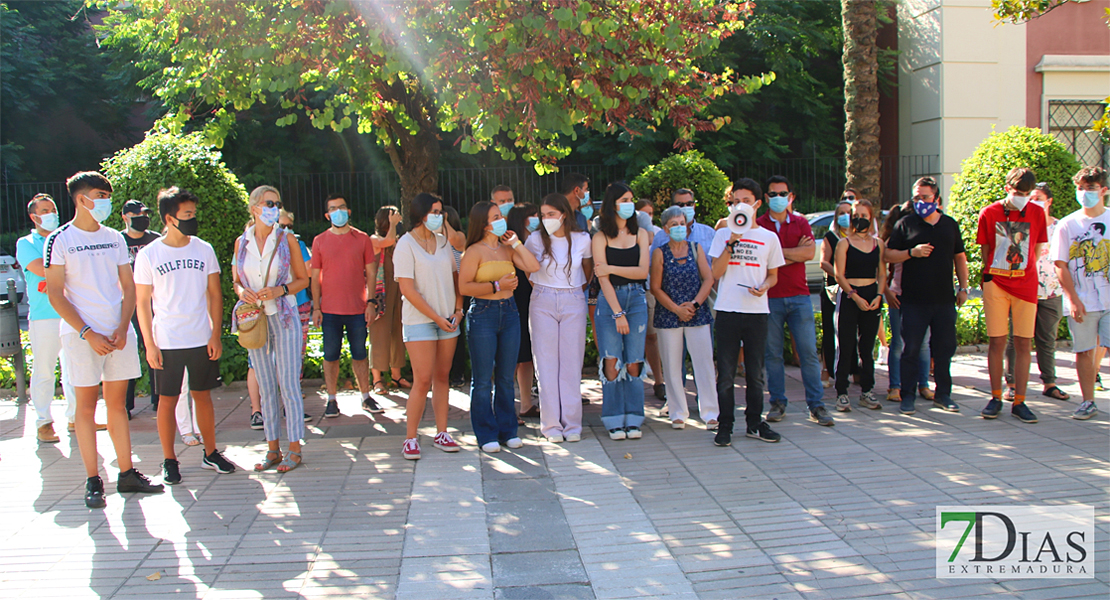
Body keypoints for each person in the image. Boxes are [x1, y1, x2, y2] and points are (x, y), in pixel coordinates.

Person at [44, 171, 163, 508]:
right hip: (82, 335)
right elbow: (56, 293)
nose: (106, 202)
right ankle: (93, 480)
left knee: (117, 405)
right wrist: (87, 332)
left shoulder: (114, 238)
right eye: (100, 195)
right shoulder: (59, 239)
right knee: (85, 406)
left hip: (117, 334)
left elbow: (129, 287)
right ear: (82, 199)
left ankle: (127, 474)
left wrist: (124, 326)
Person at [135, 187, 234, 484]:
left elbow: (215, 295)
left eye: (194, 213)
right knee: (167, 399)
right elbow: (142, 302)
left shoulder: (204, 249)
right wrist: (150, 344)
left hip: (200, 337)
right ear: (170, 218)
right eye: (187, 215)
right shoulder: (149, 254)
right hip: (167, 340)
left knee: (202, 396)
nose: (193, 219)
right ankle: (169, 459)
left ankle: (211, 452)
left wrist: (215, 335)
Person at [233, 185, 311, 473]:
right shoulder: (242, 243)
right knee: (265, 386)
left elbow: (303, 280)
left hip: (285, 315)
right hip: (255, 320)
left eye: (277, 203)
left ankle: (295, 447)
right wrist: (243, 293)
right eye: (269, 203)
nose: (274, 208)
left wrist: (279, 290)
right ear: (254, 207)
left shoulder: (287, 239)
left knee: (288, 383)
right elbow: (236, 282)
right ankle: (272, 448)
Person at [884, 177, 970, 415]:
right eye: (917, 198)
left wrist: (963, 288)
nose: (921, 202)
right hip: (913, 301)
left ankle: (943, 395)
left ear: (937, 199)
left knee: (943, 349)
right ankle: (907, 396)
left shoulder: (949, 225)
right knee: (911, 349)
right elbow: (888, 255)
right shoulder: (905, 224)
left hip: (943, 300)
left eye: (925, 197)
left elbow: (960, 257)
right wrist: (911, 252)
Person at [459, 201, 539, 452]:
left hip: (510, 313)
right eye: (496, 216)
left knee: (506, 378)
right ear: (483, 224)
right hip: (483, 313)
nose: (501, 219)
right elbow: (464, 288)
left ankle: (508, 430)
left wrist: (516, 243)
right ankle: (485, 434)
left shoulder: (508, 249)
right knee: (483, 380)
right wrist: (496, 285)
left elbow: (533, 267)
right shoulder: (473, 251)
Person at [709, 178, 785, 446]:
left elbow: (773, 275)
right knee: (726, 373)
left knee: (755, 372)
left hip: (756, 312)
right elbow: (715, 273)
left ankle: (755, 422)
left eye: (746, 201)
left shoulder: (768, 237)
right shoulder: (722, 235)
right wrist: (731, 242)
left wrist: (764, 285)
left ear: (757, 204)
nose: (741, 206)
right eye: (736, 201)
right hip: (728, 311)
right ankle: (725, 425)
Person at [758, 175, 834, 427]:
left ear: (790, 196)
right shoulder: (758, 225)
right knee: (772, 355)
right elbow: (760, 260)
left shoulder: (801, 222)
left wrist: (776, 255)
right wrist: (793, 254)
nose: (777, 198)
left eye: (782, 194)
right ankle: (777, 403)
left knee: (809, 353)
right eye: (773, 194)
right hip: (770, 298)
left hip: (800, 296)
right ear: (766, 198)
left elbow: (809, 253)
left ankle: (817, 405)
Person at [394, 193, 465, 459]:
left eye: (441, 212)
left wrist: (458, 310)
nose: (440, 216)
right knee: (422, 380)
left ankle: (442, 432)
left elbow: (456, 277)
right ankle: (410, 438)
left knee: (442, 377)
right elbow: (407, 289)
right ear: (421, 214)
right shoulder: (405, 245)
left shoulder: (445, 243)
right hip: (421, 321)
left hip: (449, 319)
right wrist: (436, 317)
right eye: (435, 212)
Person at [977, 168, 1047, 423]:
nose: (1022, 197)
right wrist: (994, 276)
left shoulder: (1037, 212)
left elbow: (1037, 251)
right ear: (1007, 188)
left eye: (1026, 194)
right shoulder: (990, 212)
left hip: (1025, 285)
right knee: (997, 341)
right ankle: (995, 397)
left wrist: (1021, 273)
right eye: (1018, 193)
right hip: (996, 282)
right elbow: (985, 250)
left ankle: (1020, 400)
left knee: (1024, 343)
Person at [526, 193, 594, 443]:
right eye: (543, 215)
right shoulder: (534, 239)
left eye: (551, 214)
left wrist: (574, 291)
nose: (546, 220)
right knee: (545, 365)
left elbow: (588, 271)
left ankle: (572, 424)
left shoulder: (582, 239)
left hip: (573, 299)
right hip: (542, 299)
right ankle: (551, 426)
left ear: (564, 214)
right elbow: (528, 270)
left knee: (571, 364)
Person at [18, 193, 84, 443]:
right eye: (44, 211)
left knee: (74, 368)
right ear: (34, 217)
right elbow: (38, 267)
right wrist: (61, 274)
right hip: (44, 317)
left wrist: (54, 279)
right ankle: (44, 422)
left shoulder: (65, 238)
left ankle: (76, 418)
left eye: (53, 209)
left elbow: (73, 270)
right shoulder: (26, 243)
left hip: (71, 314)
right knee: (45, 370)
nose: (51, 214)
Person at [310, 193, 380, 416]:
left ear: (349, 211)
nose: (338, 211)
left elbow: (371, 273)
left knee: (360, 353)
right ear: (327, 214)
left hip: (357, 308)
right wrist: (317, 307)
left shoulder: (362, 239)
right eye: (333, 208)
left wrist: (371, 302)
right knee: (330, 355)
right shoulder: (319, 241)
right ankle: (332, 399)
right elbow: (315, 277)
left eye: (341, 207)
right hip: (329, 310)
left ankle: (366, 396)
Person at [592, 183, 651, 440]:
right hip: (609, 302)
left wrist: (612, 268)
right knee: (612, 360)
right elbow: (600, 277)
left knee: (635, 360)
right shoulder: (600, 236)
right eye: (624, 199)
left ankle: (635, 417)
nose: (629, 203)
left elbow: (642, 273)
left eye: (631, 199)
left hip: (637, 299)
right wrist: (618, 313)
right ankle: (613, 418)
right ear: (612, 203)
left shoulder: (641, 235)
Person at [650, 205, 717, 429]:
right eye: (674, 224)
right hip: (669, 315)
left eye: (682, 223)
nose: (679, 228)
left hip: (697, 313)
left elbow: (708, 279)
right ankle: (678, 411)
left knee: (704, 363)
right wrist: (676, 309)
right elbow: (655, 287)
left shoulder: (696, 248)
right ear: (665, 228)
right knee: (671, 364)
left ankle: (710, 412)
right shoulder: (659, 252)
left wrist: (695, 304)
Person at [1052, 166, 1109, 420]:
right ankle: (1088, 401)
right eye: (1081, 188)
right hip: (1083, 301)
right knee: (1084, 351)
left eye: (1091, 188)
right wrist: (1073, 299)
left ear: (1104, 190)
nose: (1085, 193)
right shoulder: (1068, 225)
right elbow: (1060, 264)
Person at [1004, 182, 1069, 401]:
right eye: (1030, 198)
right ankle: (1011, 383)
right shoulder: (1021, 225)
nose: (1033, 202)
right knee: (1017, 338)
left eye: (1038, 198)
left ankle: (1049, 382)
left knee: (1047, 339)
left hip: (1051, 291)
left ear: (1049, 201)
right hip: (1024, 290)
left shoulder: (1060, 227)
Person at [832, 199, 887, 411]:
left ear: (871, 218)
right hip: (850, 296)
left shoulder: (878, 244)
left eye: (864, 216)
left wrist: (879, 295)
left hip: (872, 295)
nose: (859, 220)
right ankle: (842, 392)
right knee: (846, 346)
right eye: (856, 216)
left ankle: (867, 391)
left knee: (867, 347)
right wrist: (853, 295)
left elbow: (882, 273)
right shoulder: (843, 243)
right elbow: (839, 274)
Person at [880, 202, 933, 403]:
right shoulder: (894, 240)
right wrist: (886, 292)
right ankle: (895, 386)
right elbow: (883, 267)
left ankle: (924, 384)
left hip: (922, 297)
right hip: (898, 295)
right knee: (898, 344)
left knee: (923, 344)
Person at [121, 199, 160, 416]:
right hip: (126, 303)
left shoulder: (155, 239)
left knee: (153, 346)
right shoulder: (117, 241)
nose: (142, 218)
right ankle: (125, 405)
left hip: (152, 302)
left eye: (144, 213)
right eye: (137, 214)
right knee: (128, 350)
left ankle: (159, 398)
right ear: (125, 216)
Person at [506, 203, 540, 420]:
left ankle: (526, 405)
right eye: (533, 215)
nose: (538, 219)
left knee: (526, 357)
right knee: (512, 358)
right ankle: (507, 407)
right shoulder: (511, 245)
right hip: (515, 303)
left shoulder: (535, 241)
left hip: (533, 304)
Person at [370, 205, 409, 393]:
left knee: (397, 331)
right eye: (394, 219)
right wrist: (393, 225)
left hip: (398, 291)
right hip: (380, 292)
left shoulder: (399, 241)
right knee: (379, 332)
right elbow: (387, 241)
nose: (398, 222)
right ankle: (377, 379)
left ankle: (396, 375)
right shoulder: (375, 239)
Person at [820, 201, 853, 388]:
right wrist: (840, 276)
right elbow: (824, 262)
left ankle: (854, 370)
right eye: (841, 213)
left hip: (854, 290)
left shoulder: (860, 238)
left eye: (849, 212)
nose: (845, 216)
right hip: (834, 290)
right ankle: (827, 369)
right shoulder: (831, 237)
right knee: (831, 330)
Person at [636, 198, 666, 401]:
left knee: (652, 336)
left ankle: (659, 380)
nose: (648, 217)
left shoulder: (657, 233)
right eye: (644, 213)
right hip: (630, 289)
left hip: (649, 288)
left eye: (651, 213)